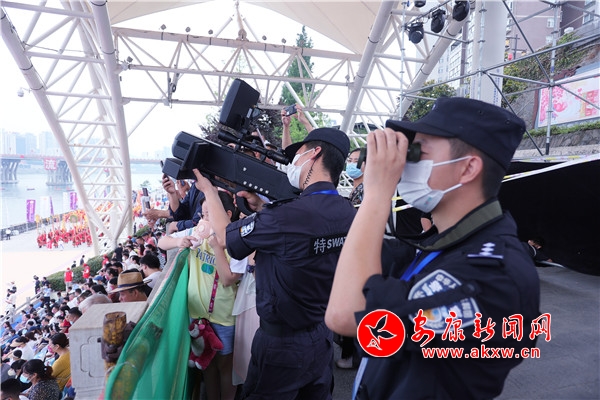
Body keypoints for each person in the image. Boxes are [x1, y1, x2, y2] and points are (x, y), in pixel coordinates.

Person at [325, 97, 541, 399]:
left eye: (418, 152)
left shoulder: (495, 275)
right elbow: (354, 275)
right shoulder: (445, 243)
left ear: (467, 168)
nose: (406, 163)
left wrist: (376, 193)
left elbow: (348, 315)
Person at [224, 127, 356, 399]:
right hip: (321, 337)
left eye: (298, 154)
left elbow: (232, 242)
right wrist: (263, 209)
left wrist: (207, 189)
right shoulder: (348, 212)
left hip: (281, 346)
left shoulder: (285, 215)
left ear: (314, 153)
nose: (293, 162)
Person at [159, 180, 242, 400]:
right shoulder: (196, 233)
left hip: (224, 316)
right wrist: (180, 242)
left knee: (225, 367)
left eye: (209, 214)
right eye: (203, 214)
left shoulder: (236, 243)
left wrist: (216, 246)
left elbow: (228, 279)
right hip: (198, 316)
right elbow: (162, 242)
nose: (204, 220)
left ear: (227, 214)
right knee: (208, 367)